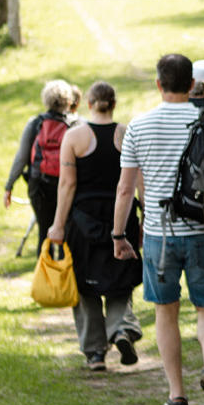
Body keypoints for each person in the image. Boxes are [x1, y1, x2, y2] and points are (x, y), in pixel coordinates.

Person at [113, 53, 204, 405]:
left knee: (166, 313)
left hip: (158, 236)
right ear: (193, 85)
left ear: (158, 83)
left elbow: (125, 189)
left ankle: (177, 397)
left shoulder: (139, 125)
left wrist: (119, 234)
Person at [46, 81, 143, 371]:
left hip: (83, 220)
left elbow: (67, 183)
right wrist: (146, 220)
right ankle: (121, 329)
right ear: (113, 104)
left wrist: (57, 225)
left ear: (88, 104)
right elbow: (139, 183)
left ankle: (95, 352)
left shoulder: (74, 137)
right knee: (120, 276)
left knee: (85, 283)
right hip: (121, 216)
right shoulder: (127, 134)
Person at [3, 79, 76, 243]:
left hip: (39, 186)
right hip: (67, 186)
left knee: (44, 233)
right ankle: (66, 268)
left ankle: (44, 267)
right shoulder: (75, 126)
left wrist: (9, 186)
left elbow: (21, 157)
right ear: (68, 100)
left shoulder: (35, 124)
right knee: (67, 234)